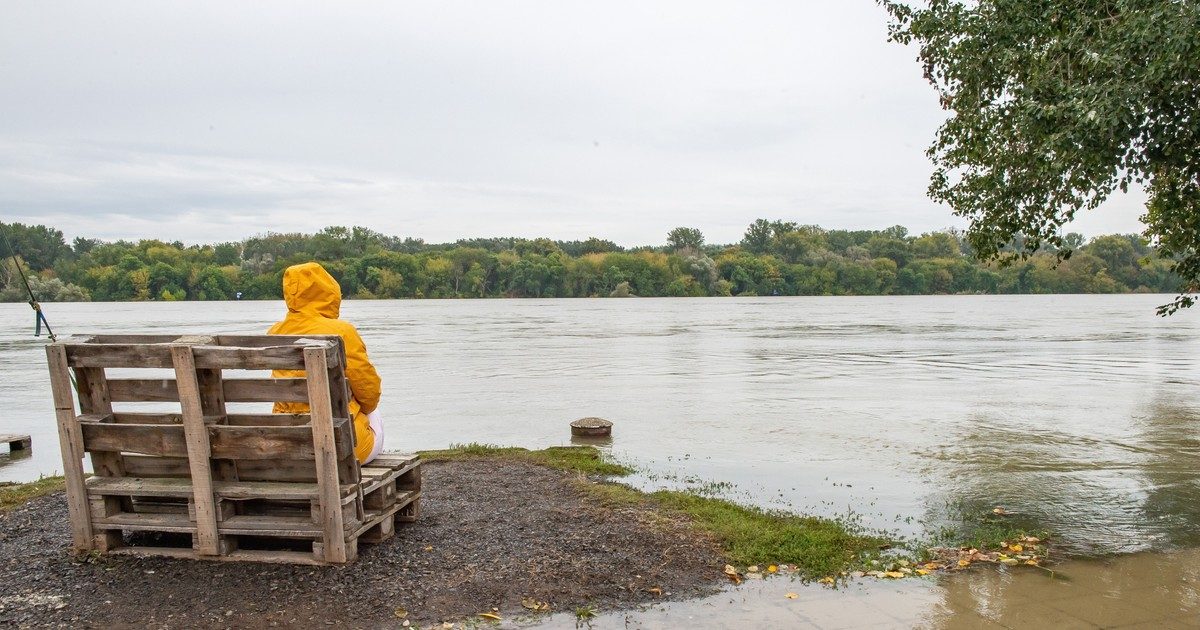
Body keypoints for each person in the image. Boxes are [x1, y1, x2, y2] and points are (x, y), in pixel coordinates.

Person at [268, 262, 384, 464]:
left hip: (287, 441)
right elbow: (369, 393)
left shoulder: (275, 332)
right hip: (342, 447)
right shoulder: (342, 331)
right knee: (372, 408)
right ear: (329, 291)